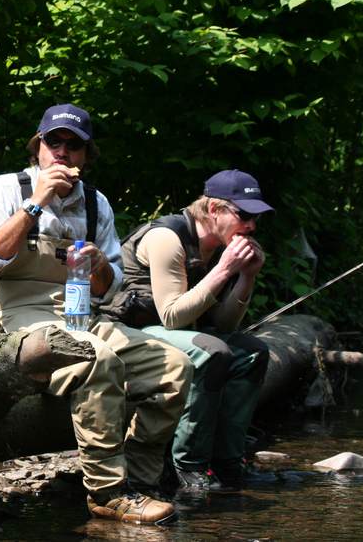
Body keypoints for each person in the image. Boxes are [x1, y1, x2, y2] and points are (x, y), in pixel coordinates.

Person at [0, 104, 193, 525]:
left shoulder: (95, 203)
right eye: (55, 142)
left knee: (174, 367)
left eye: (74, 145)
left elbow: (111, 289)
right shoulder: (4, 190)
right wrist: (36, 204)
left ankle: (141, 482)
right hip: (9, 313)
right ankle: (107, 493)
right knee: (97, 359)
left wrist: (101, 267)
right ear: (39, 148)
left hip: (78, 315)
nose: (63, 152)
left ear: (87, 155)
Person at [104, 169, 273, 491]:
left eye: (256, 218)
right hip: (129, 334)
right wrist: (224, 270)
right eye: (244, 215)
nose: (251, 226)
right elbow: (172, 316)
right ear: (213, 210)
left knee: (252, 352)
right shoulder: (168, 238)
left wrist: (246, 277)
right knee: (212, 352)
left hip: (174, 334)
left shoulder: (217, 246)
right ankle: (189, 465)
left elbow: (223, 325)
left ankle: (227, 461)